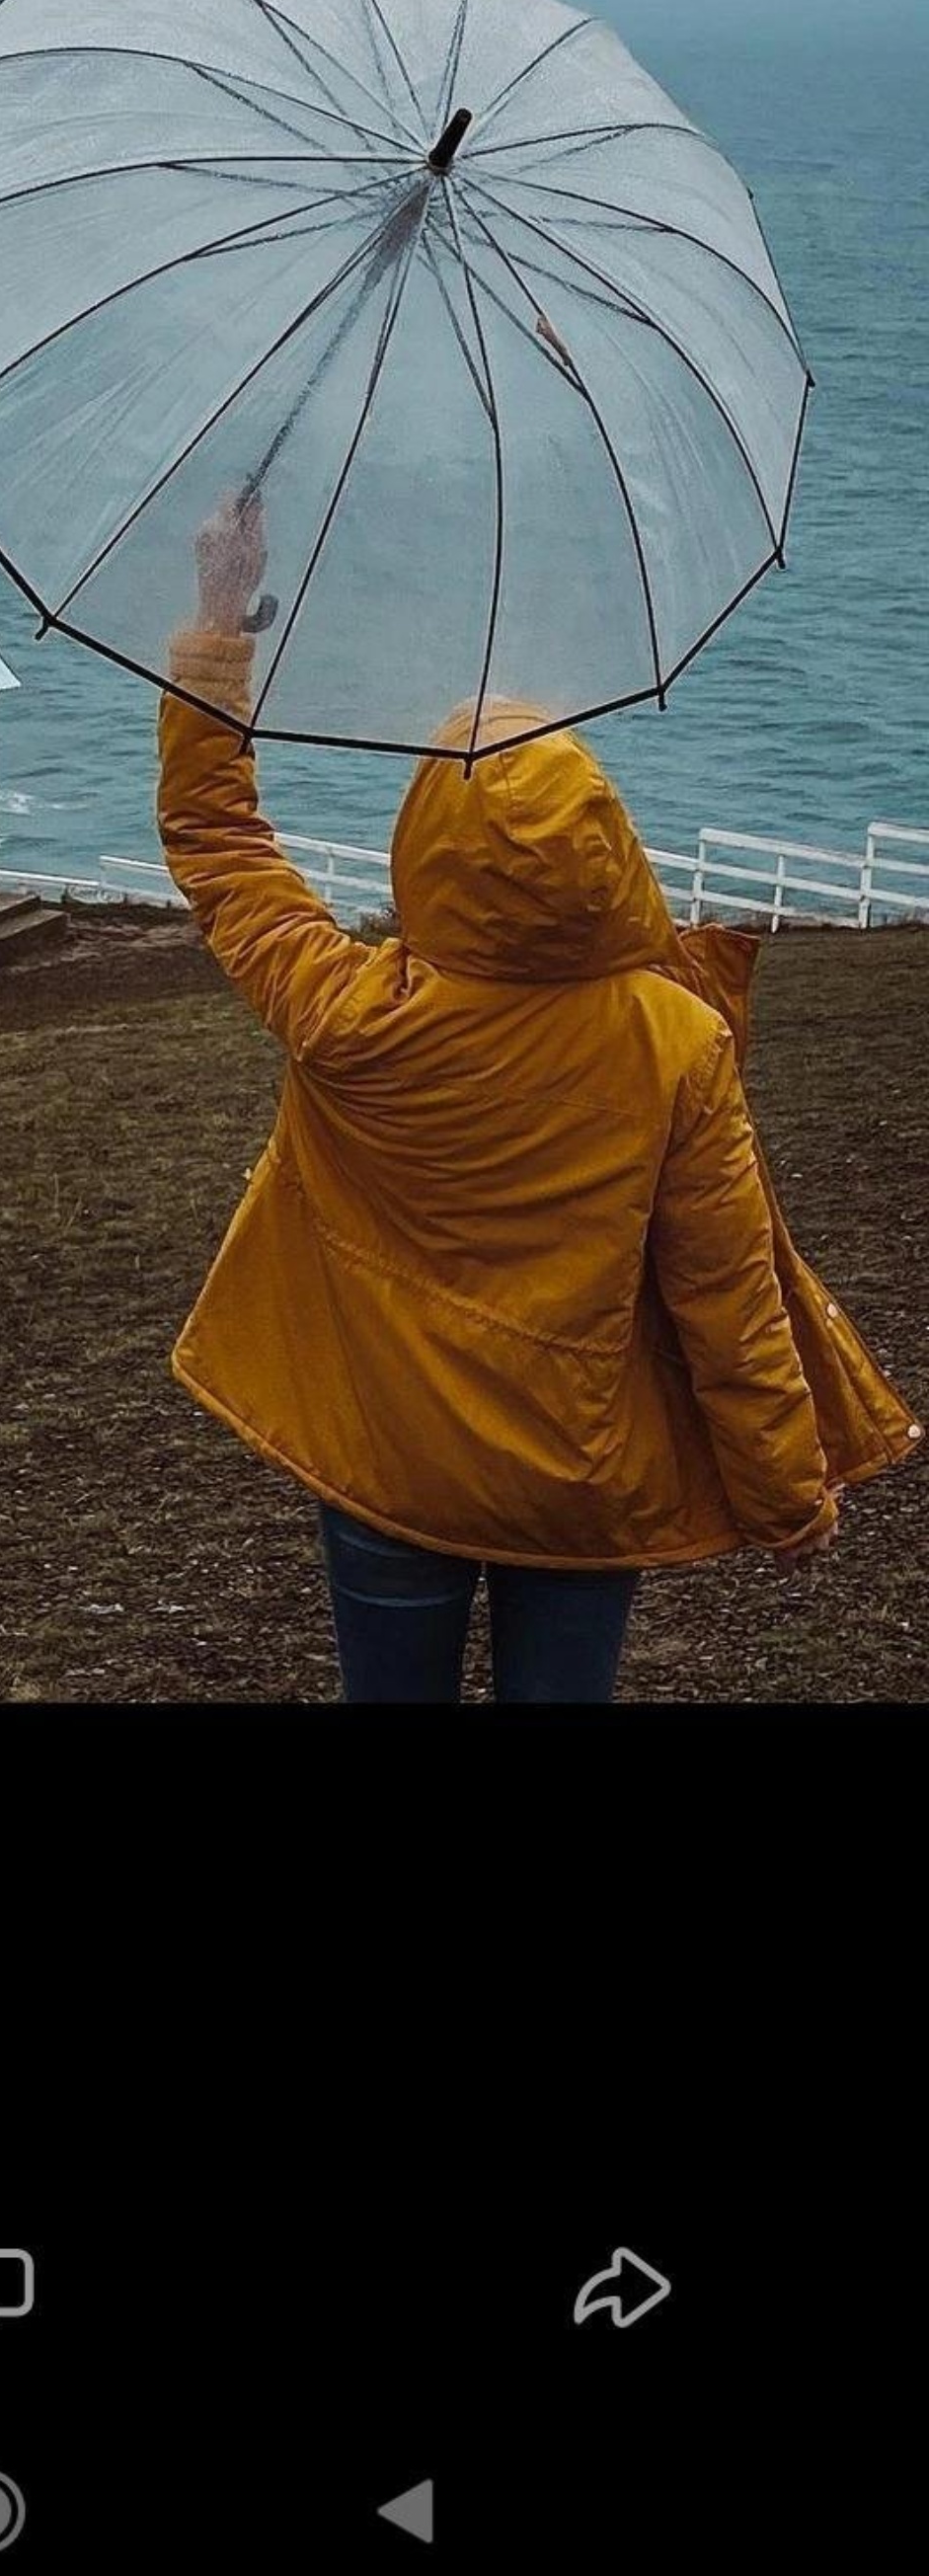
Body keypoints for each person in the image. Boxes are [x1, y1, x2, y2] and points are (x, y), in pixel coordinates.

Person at [156, 488, 921, 1704]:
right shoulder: (674, 1041)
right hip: (575, 1477)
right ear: (611, 852)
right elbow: (727, 1298)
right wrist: (785, 1497)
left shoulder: (350, 1012)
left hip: (389, 1457)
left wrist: (219, 617)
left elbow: (214, 835)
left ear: (425, 848)